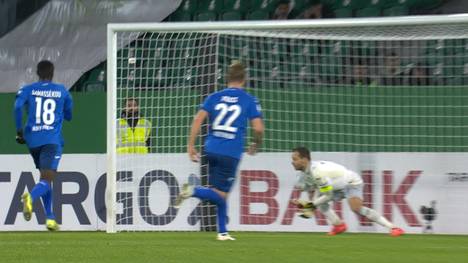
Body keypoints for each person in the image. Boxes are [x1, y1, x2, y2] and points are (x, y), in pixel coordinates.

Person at [175, 61, 264, 241]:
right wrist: (256, 144)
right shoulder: (249, 99)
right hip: (230, 152)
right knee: (219, 194)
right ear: (244, 79)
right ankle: (192, 191)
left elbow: (198, 119)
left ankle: (222, 232)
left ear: (227, 78)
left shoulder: (214, 96)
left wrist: (190, 145)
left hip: (210, 148)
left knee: (221, 193)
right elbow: (259, 129)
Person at [290, 146, 405, 236]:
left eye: (295, 159)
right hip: (335, 186)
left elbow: (328, 195)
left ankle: (393, 228)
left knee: (356, 208)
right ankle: (338, 225)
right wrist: (308, 203)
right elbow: (315, 190)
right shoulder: (304, 174)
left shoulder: (317, 173)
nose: (292, 162)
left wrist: (310, 205)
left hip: (350, 182)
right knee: (321, 203)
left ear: (304, 160)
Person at [14, 60, 73, 231]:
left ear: (37, 73)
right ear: (52, 73)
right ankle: (29, 198)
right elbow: (69, 115)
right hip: (51, 141)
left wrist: (19, 131)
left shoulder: (28, 89)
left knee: (45, 177)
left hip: (32, 141)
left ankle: (50, 218)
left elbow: (17, 107)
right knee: (47, 178)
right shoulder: (61, 91)